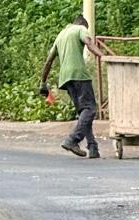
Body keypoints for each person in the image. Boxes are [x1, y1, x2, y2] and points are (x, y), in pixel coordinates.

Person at [40, 14, 103, 158]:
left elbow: (48, 61)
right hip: (79, 75)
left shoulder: (61, 35)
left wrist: (42, 82)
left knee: (83, 113)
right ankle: (72, 139)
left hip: (65, 79)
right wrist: (103, 56)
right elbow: (89, 43)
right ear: (83, 24)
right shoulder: (81, 28)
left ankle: (93, 148)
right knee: (90, 109)